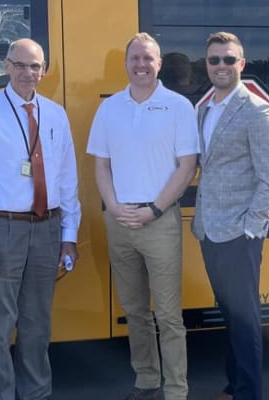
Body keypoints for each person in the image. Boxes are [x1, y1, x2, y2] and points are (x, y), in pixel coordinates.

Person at [0, 38, 81, 400]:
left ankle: (37, 394)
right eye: (21, 65)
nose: (29, 73)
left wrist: (69, 234)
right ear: (7, 66)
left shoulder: (55, 114)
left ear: (44, 70)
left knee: (38, 325)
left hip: (47, 229)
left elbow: (67, 180)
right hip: (2, 230)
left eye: (36, 66)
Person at [87, 32, 199, 400]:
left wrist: (153, 210)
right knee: (134, 311)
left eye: (148, 59)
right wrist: (114, 206)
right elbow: (101, 166)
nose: (141, 65)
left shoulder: (178, 106)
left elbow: (187, 167)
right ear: (125, 64)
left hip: (159, 220)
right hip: (119, 220)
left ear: (159, 64)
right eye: (135, 58)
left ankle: (176, 391)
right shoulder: (110, 108)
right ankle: (147, 380)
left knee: (168, 315)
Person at [193, 32, 269, 400]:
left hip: (239, 233)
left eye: (229, 60)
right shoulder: (203, 109)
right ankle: (234, 387)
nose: (221, 66)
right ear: (207, 65)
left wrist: (250, 227)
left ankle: (248, 393)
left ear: (242, 65)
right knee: (230, 315)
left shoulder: (258, 111)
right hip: (210, 229)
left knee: (245, 320)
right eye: (215, 60)